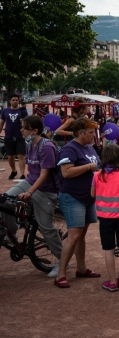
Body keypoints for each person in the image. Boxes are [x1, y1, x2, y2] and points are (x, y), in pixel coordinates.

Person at [0, 115, 63, 277]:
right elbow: (32, 172)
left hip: (46, 190)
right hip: (30, 182)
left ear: (35, 131)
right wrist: (26, 188)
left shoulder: (46, 146)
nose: (21, 130)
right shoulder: (29, 144)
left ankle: (63, 260)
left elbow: (44, 174)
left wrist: (29, 192)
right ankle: (12, 233)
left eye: (24, 128)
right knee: (4, 200)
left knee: (46, 227)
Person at [54, 118, 102, 288]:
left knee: (81, 235)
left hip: (88, 197)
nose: (93, 136)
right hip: (72, 196)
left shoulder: (89, 147)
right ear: (80, 133)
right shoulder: (69, 149)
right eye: (90, 133)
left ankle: (81, 268)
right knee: (74, 235)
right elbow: (66, 172)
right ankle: (61, 273)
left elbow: (96, 166)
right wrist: (88, 167)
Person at [91, 144, 119, 292]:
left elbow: (92, 195)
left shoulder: (97, 175)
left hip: (105, 217)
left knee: (108, 248)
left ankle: (112, 281)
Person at [0, 94, 29, 179]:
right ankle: (14, 171)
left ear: (18, 101)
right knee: (10, 156)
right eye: (13, 100)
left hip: (20, 136)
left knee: (20, 155)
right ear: (10, 101)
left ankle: (22, 174)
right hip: (8, 136)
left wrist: (22, 122)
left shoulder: (22, 111)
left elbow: (27, 123)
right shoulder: (5, 111)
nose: (15, 101)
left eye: (16, 100)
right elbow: (1, 123)